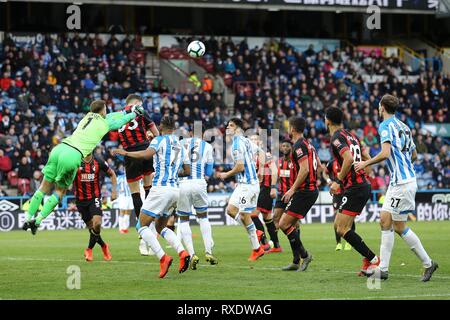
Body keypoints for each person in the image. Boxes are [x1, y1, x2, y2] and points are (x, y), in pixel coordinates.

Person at [22, 99, 144, 235]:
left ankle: (27, 218)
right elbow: (117, 122)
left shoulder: (87, 117)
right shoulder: (104, 123)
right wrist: (134, 114)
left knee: (43, 188)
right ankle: (37, 221)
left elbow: (112, 116)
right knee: (59, 191)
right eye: (106, 109)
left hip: (59, 148)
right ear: (103, 110)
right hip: (73, 155)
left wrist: (125, 111)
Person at [355, 94, 438, 281]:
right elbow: (414, 154)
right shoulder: (405, 126)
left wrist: (366, 162)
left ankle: (383, 269)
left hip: (401, 183)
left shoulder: (385, 126)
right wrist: (403, 164)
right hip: (404, 180)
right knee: (397, 225)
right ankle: (428, 264)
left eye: (378, 106)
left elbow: (385, 153)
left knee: (385, 220)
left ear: (382, 107)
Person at [112, 116, 191, 278]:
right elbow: (187, 171)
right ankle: (182, 252)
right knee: (161, 227)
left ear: (161, 127)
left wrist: (126, 152)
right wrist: (173, 171)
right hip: (175, 190)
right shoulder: (181, 145)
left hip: (161, 189)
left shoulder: (159, 140)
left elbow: (145, 155)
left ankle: (163, 257)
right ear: (174, 129)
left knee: (141, 226)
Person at [325, 106, 380, 276]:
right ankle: (368, 259)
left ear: (327, 120)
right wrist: (367, 170)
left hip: (355, 187)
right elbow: (366, 157)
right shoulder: (352, 135)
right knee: (340, 225)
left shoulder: (336, 138)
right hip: (360, 185)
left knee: (341, 228)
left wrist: (337, 181)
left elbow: (348, 158)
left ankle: (373, 259)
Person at [217, 118, 264, 261]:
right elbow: (261, 152)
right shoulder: (245, 140)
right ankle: (256, 235)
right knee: (230, 210)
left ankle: (256, 247)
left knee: (244, 215)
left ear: (237, 129)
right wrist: (260, 170)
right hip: (246, 184)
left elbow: (240, 167)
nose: (227, 127)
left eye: (230, 125)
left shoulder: (237, 144)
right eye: (227, 125)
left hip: (248, 185)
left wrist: (226, 174)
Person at [117, 94, 159, 252]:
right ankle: (151, 229)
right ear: (137, 103)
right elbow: (156, 134)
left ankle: (143, 236)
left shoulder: (119, 115)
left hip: (129, 154)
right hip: (146, 150)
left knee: (135, 194)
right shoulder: (140, 110)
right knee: (148, 187)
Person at [279, 117, 318, 271]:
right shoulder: (308, 144)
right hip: (308, 190)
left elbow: (305, 169)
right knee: (291, 225)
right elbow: (316, 165)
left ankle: (305, 255)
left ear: (293, 129)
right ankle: (296, 261)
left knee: (283, 224)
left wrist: (292, 189)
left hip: (305, 191)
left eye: (289, 127)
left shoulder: (299, 145)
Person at [177, 130, 218, 269]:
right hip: (199, 183)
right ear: (203, 135)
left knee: (183, 219)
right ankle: (208, 251)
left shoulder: (180, 143)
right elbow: (208, 172)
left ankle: (192, 253)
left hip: (183, 184)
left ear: (190, 133)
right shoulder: (207, 146)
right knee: (203, 217)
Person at [73, 153, 117, 262]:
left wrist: (114, 191)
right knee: (91, 228)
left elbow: (112, 174)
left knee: (97, 224)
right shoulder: (75, 161)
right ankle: (103, 245)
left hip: (94, 197)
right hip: (80, 200)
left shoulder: (99, 161)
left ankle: (89, 249)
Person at [249, 134, 279, 253]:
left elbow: (275, 171)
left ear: (260, 143)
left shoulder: (265, 155)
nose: (253, 141)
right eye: (251, 140)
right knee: (267, 217)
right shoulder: (250, 157)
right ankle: (276, 245)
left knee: (253, 215)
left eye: (255, 139)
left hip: (265, 188)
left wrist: (273, 187)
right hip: (256, 189)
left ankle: (264, 243)